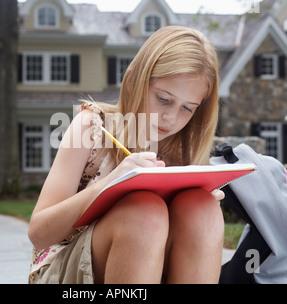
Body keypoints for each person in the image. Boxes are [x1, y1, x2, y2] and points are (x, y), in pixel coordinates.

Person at [27, 25, 225, 284]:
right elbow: (40, 233)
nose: (171, 117)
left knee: (203, 208)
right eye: (164, 99)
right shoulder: (93, 127)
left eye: (187, 109)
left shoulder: (180, 148)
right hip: (66, 272)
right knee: (143, 211)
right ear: (132, 81)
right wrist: (115, 181)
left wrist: (200, 198)